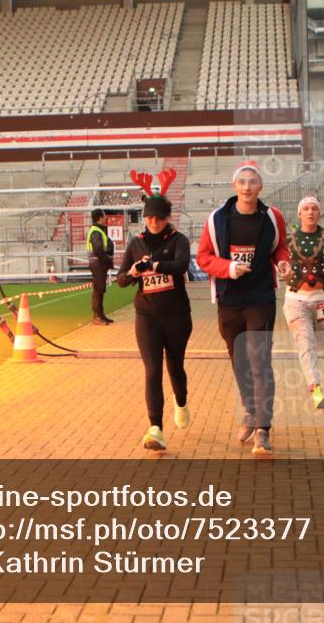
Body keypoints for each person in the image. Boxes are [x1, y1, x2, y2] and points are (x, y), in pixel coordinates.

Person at [196, 159, 290, 455]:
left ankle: (263, 428)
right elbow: (202, 257)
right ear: (234, 186)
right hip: (229, 299)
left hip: (260, 297)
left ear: (260, 186)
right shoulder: (216, 219)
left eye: (253, 181)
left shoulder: (273, 217)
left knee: (259, 361)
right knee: (239, 361)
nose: (247, 186)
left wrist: (284, 263)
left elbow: (280, 246)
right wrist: (228, 268)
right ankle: (250, 410)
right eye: (242, 181)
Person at [117, 192, 192, 452]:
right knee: (152, 371)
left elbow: (181, 265)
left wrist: (155, 266)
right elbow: (121, 279)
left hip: (177, 315)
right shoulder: (136, 243)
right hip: (146, 316)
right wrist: (133, 271)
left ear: (167, 218)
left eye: (159, 218)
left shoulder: (178, 240)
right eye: (149, 217)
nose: (153, 222)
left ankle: (181, 402)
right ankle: (155, 428)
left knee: (175, 367)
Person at [279, 196, 324, 409]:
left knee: (318, 344)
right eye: (305, 209)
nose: (310, 212)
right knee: (305, 343)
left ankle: (312, 372)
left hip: (323, 299)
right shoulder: (288, 240)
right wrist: (283, 272)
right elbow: (279, 263)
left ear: (319, 212)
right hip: (296, 298)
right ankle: (316, 390)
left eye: (314, 209)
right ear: (299, 213)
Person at [87, 209, 115, 325]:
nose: (106, 217)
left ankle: (101, 315)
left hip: (98, 263)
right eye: (104, 216)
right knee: (99, 289)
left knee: (100, 289)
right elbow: (98, 250)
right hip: (97, 263)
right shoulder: (96, 231)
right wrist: (107, 260)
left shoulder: (98, 230)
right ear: (99, 218)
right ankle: (97, 316)